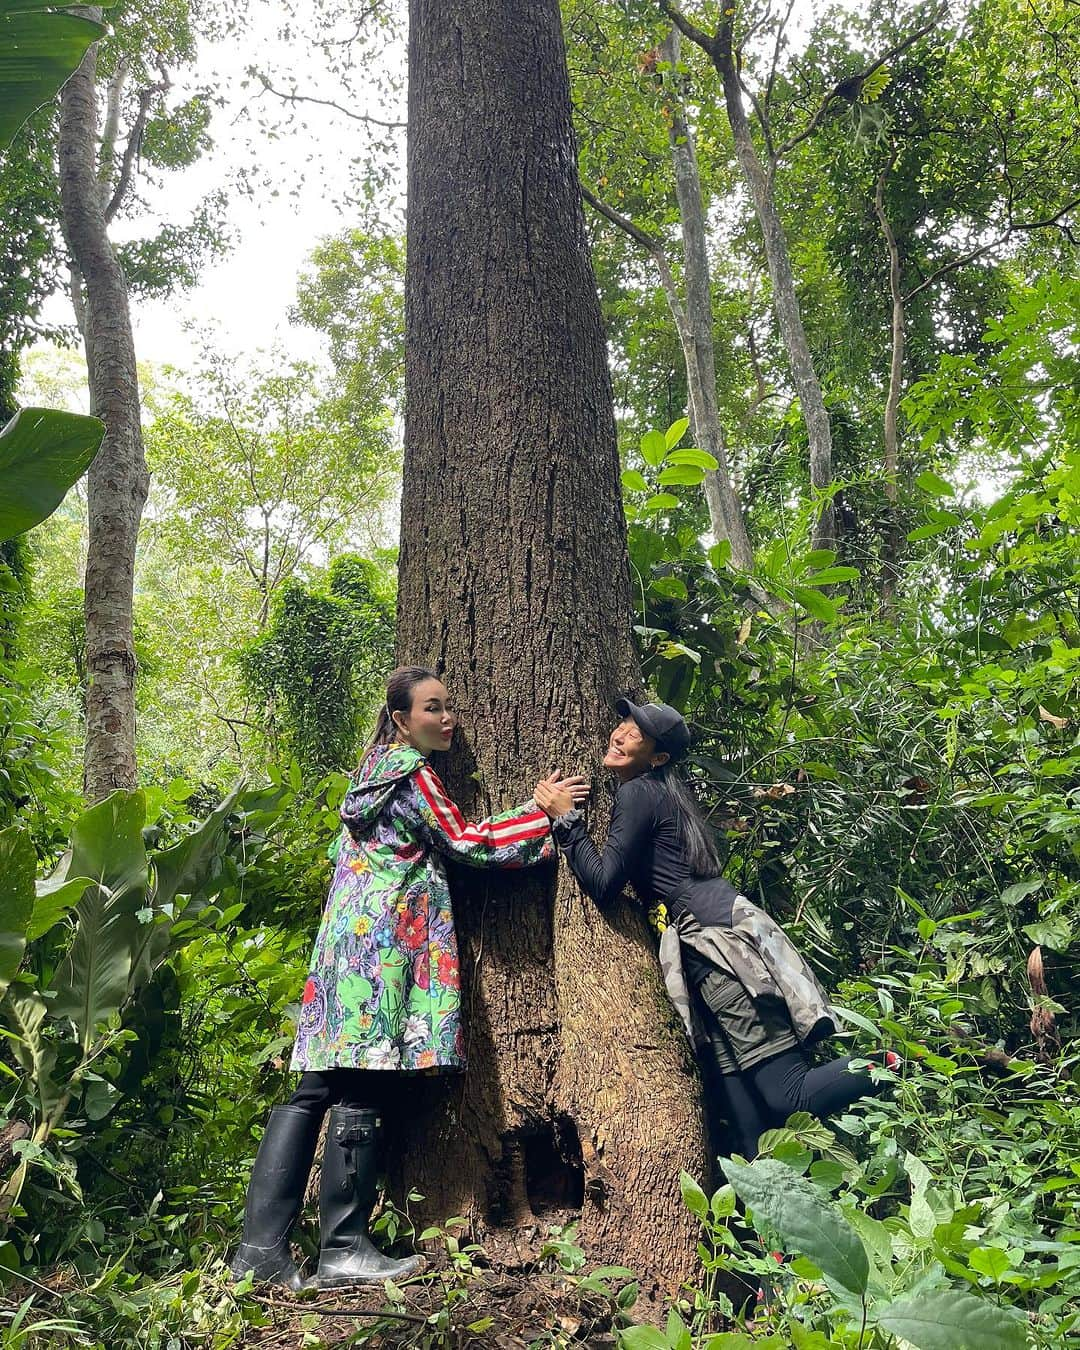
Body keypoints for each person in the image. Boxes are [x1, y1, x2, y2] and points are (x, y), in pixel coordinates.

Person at [231, 666, 588, 1292]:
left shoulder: (370, 770)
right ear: (400, 719)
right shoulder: (413, 775)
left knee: (316, 1087)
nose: (447, 718)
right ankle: (342, 1247)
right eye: (432, 708)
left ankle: (259, 1251)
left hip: (345, 950)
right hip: (384, 950)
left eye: (448, 707)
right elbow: (468, 843)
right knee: (362, 1091)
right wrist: (539, 812)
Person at [536, 698, 891, 1162]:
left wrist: (567, 821)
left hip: (719, 953)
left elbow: (603, 883)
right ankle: (762, 1231)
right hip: (709, 950)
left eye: (637, 734)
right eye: (624, 723)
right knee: (744, 1123)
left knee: (790, 1096)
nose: (622, 734)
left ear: (657, 757)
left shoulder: (639, 792)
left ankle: (897, 1064)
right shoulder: (666, 792)